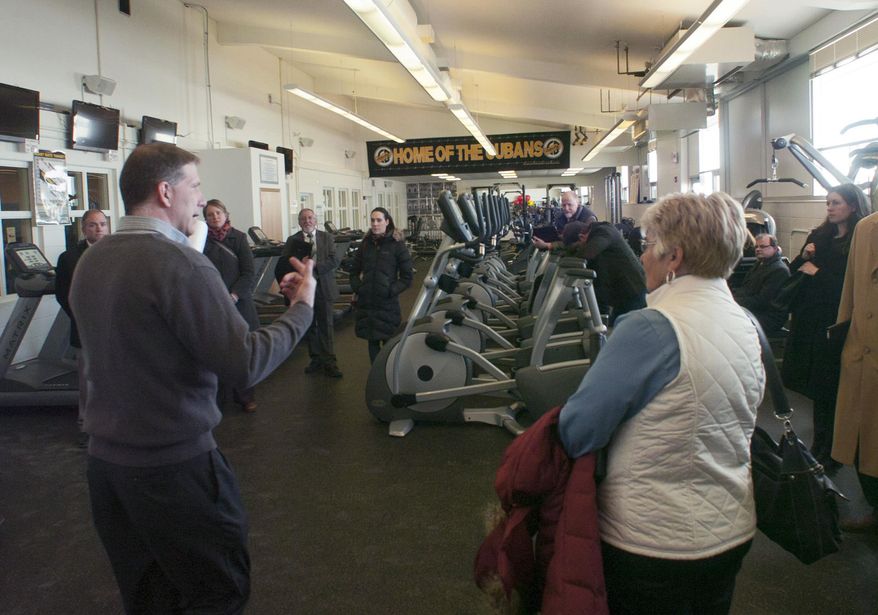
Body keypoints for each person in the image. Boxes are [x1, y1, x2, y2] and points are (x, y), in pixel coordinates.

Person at [69, 143, 315, 614]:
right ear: (166, 192)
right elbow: (245, 363)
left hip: (107, 472)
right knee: (217, 594)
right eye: (195, 187)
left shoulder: (92, 261)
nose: (201, 200)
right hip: (174, 471)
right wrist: (301, 308)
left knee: (151, 599)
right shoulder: (181, 264)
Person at [559, 191, 765, 614]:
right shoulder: (746, 323)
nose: (642, 256)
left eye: (649, 244)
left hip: (654, 541)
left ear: (674, 257)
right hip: (729, 529)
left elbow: (578, 430)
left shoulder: (650, 328)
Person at [781, 183, 870, 469]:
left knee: (831, 386)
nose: (830, 208)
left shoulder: (860, 240)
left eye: (836, 202)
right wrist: (805, 257)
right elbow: (794, 271)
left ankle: (834, 450)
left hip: (836, 321)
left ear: (853, 206)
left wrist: (816, 271)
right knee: (817, 387)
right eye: (828, 202)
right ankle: (820, 444)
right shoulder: (820, 236)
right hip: (810, 319)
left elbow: (851, 286)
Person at [832, 210, 878, 532]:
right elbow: (850, 289)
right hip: (861, 353)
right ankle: (875, 508)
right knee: (862, 440)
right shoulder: (866, 228)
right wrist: (842, 336)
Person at [55, 209, 109, 447]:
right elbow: (62, 294)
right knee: (87, 381)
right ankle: (86, 426)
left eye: (102, 224)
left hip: (114, 328)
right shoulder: (68, 258)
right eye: (93, 225)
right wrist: (80, 316)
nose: (98, 229)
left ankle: (112, 426)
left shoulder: (118, 254)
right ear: (84, 228)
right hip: (85, 328)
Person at [203, 199, 260, 411]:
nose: (215, 217)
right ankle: (219, 399)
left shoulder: (239, 238)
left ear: (226, 214)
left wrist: (234, 295)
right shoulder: (200, 240)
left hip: (239, 303)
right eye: (210, 214)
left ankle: (245, 396)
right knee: (216, 351)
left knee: (243, 352)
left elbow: (249, 272)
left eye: (218, 213)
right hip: (213, 304)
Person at [275, 208, 342, 378]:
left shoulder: (326, 237)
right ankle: (316, 358)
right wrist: (299, 265)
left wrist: (313, 269)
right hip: (302, 289)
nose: (307, 221)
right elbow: (285, 262)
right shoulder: (293, 240)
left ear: (316, 220)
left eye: (310, 217)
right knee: (309, 325)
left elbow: (334, 259)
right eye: (303, 218)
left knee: (326, 325)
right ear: (299, 222)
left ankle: (330, 361)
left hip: (323, 286)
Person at [349, 207, 413, 363]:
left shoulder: (397, 245)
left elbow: (407, 277)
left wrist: (390, 291)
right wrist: (359, 288)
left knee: (389, 345)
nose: (375, 224)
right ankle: (375, 374)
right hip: (367, 304)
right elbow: (353, 272)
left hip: (387, 304)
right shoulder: (365, 244)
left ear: (387, 221)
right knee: (372, 343)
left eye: (379, 220)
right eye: (372, 220)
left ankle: (389, 375)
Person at [562, 218, 646, 324]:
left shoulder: (604, 231)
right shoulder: (597, 237)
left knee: (626, 327)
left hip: (633, 289)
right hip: (619, 292)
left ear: (582, 237)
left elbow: (586, 254)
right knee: (615, 324)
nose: (579, 250)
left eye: (578, 247)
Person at [731, 233, 790, 335]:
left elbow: (762, 301)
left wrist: (734, 301)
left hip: (768, 317)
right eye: (756, 247)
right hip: (757, 311)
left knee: (730, 320)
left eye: (762, 246)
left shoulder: (779, 270)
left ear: (775, 248)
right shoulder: (760, 263)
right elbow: (746, 288)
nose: (758, 249)